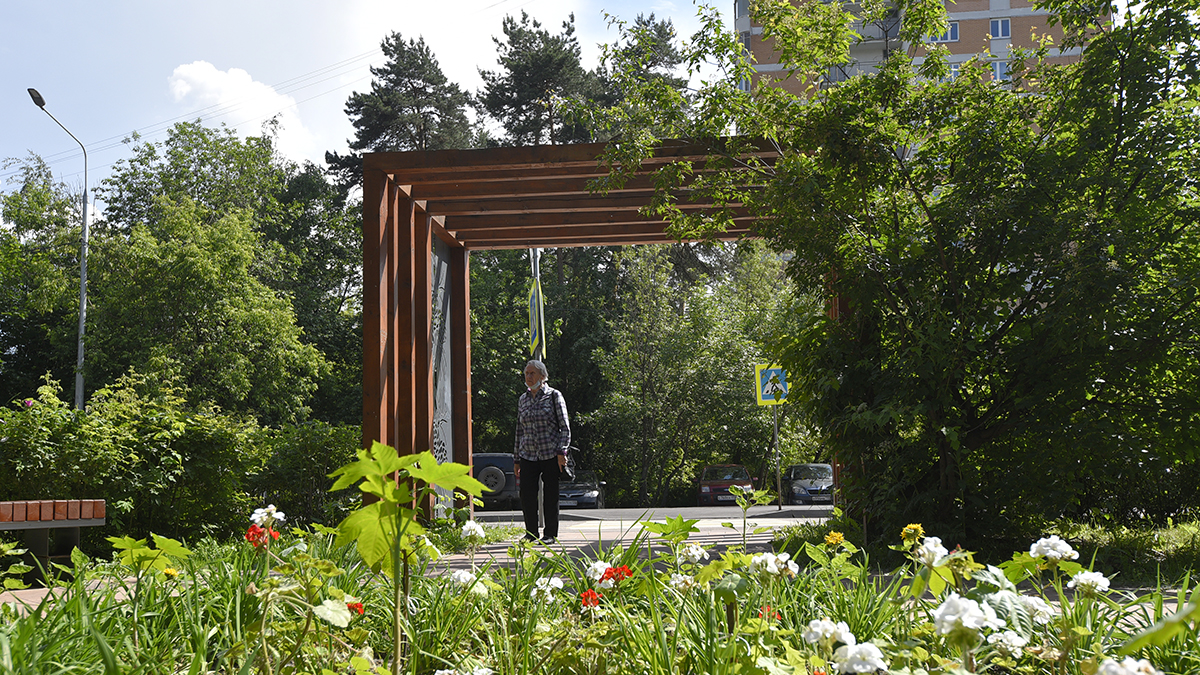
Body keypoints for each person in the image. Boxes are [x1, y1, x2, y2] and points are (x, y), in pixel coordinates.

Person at [513, 359, 570, 543]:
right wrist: (516, 459)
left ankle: (550, 534)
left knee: (551, 494)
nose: (529, 377)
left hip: (550, 453)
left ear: (543, 376)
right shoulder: (523, 399)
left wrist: (562, 452)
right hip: (528, 454)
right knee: (527, 494)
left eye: (532, 373)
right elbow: (519, 430)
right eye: (526, 373)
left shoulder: (554, 396)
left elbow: (565, 427)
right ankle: (531, 533)